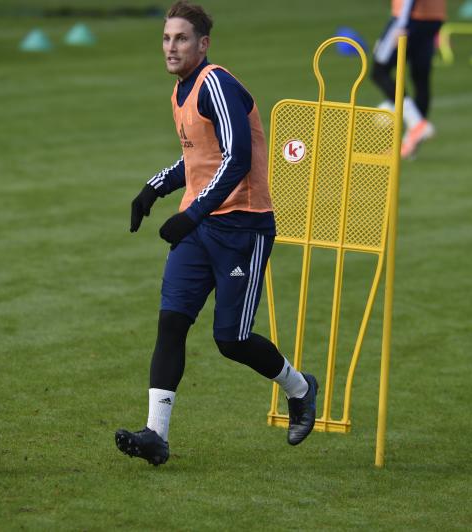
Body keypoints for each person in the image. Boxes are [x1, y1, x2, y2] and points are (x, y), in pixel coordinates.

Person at [115, 0, 318, 466]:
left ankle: (300, 388)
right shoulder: (181, 92)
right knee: (172, 322)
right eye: (166, 38)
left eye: (181, 39)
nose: (171, 47)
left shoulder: (216, 85)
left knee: (232, 339)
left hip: (243, 227)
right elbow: (196, 160)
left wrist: (193, 214)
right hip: (200, 227)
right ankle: (156, 435)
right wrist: (153, 189)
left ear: (203, 44)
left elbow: (237, 158)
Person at [371, 0, 446, 159]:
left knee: (379, 71)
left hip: (409, 17)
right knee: (420, 78)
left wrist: (401, 24)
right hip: (434, 18)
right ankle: (411, 144)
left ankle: (416, 124)